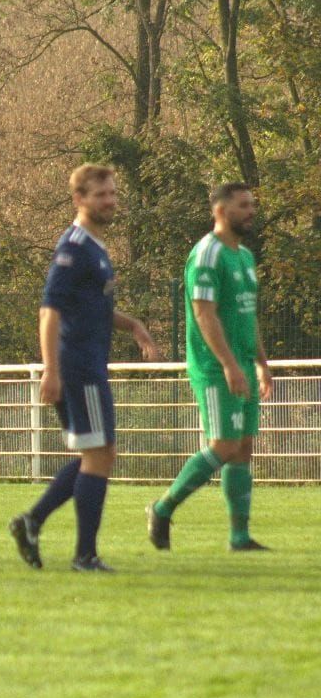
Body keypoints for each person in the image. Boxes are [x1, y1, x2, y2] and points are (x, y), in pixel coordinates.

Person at [8, 163, 159, 572]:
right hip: (77, 365)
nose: (110, 200)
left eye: (112, 193)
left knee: (99, 453)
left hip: (87, 364)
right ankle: (84, 556)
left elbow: (96, 307)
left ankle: (32, 522)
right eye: (100, 194)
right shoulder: (74, 248)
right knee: (99, 455)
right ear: (79, 199)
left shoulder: (96, 246)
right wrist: (50, 370)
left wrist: (134, 326)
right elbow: (49, 310)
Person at [147, 183, 272, 552]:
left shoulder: (245, 256)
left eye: (252, 205)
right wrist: (230, 365)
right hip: (215, 367)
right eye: (243, 205)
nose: (251, 211)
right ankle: (162, 507)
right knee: (223, 445)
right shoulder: (206, 254)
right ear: (220, 211)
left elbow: (248, 315)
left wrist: (261, 364)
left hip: (242, 366)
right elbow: (204, 314)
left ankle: (239, 537)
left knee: (243, 446)